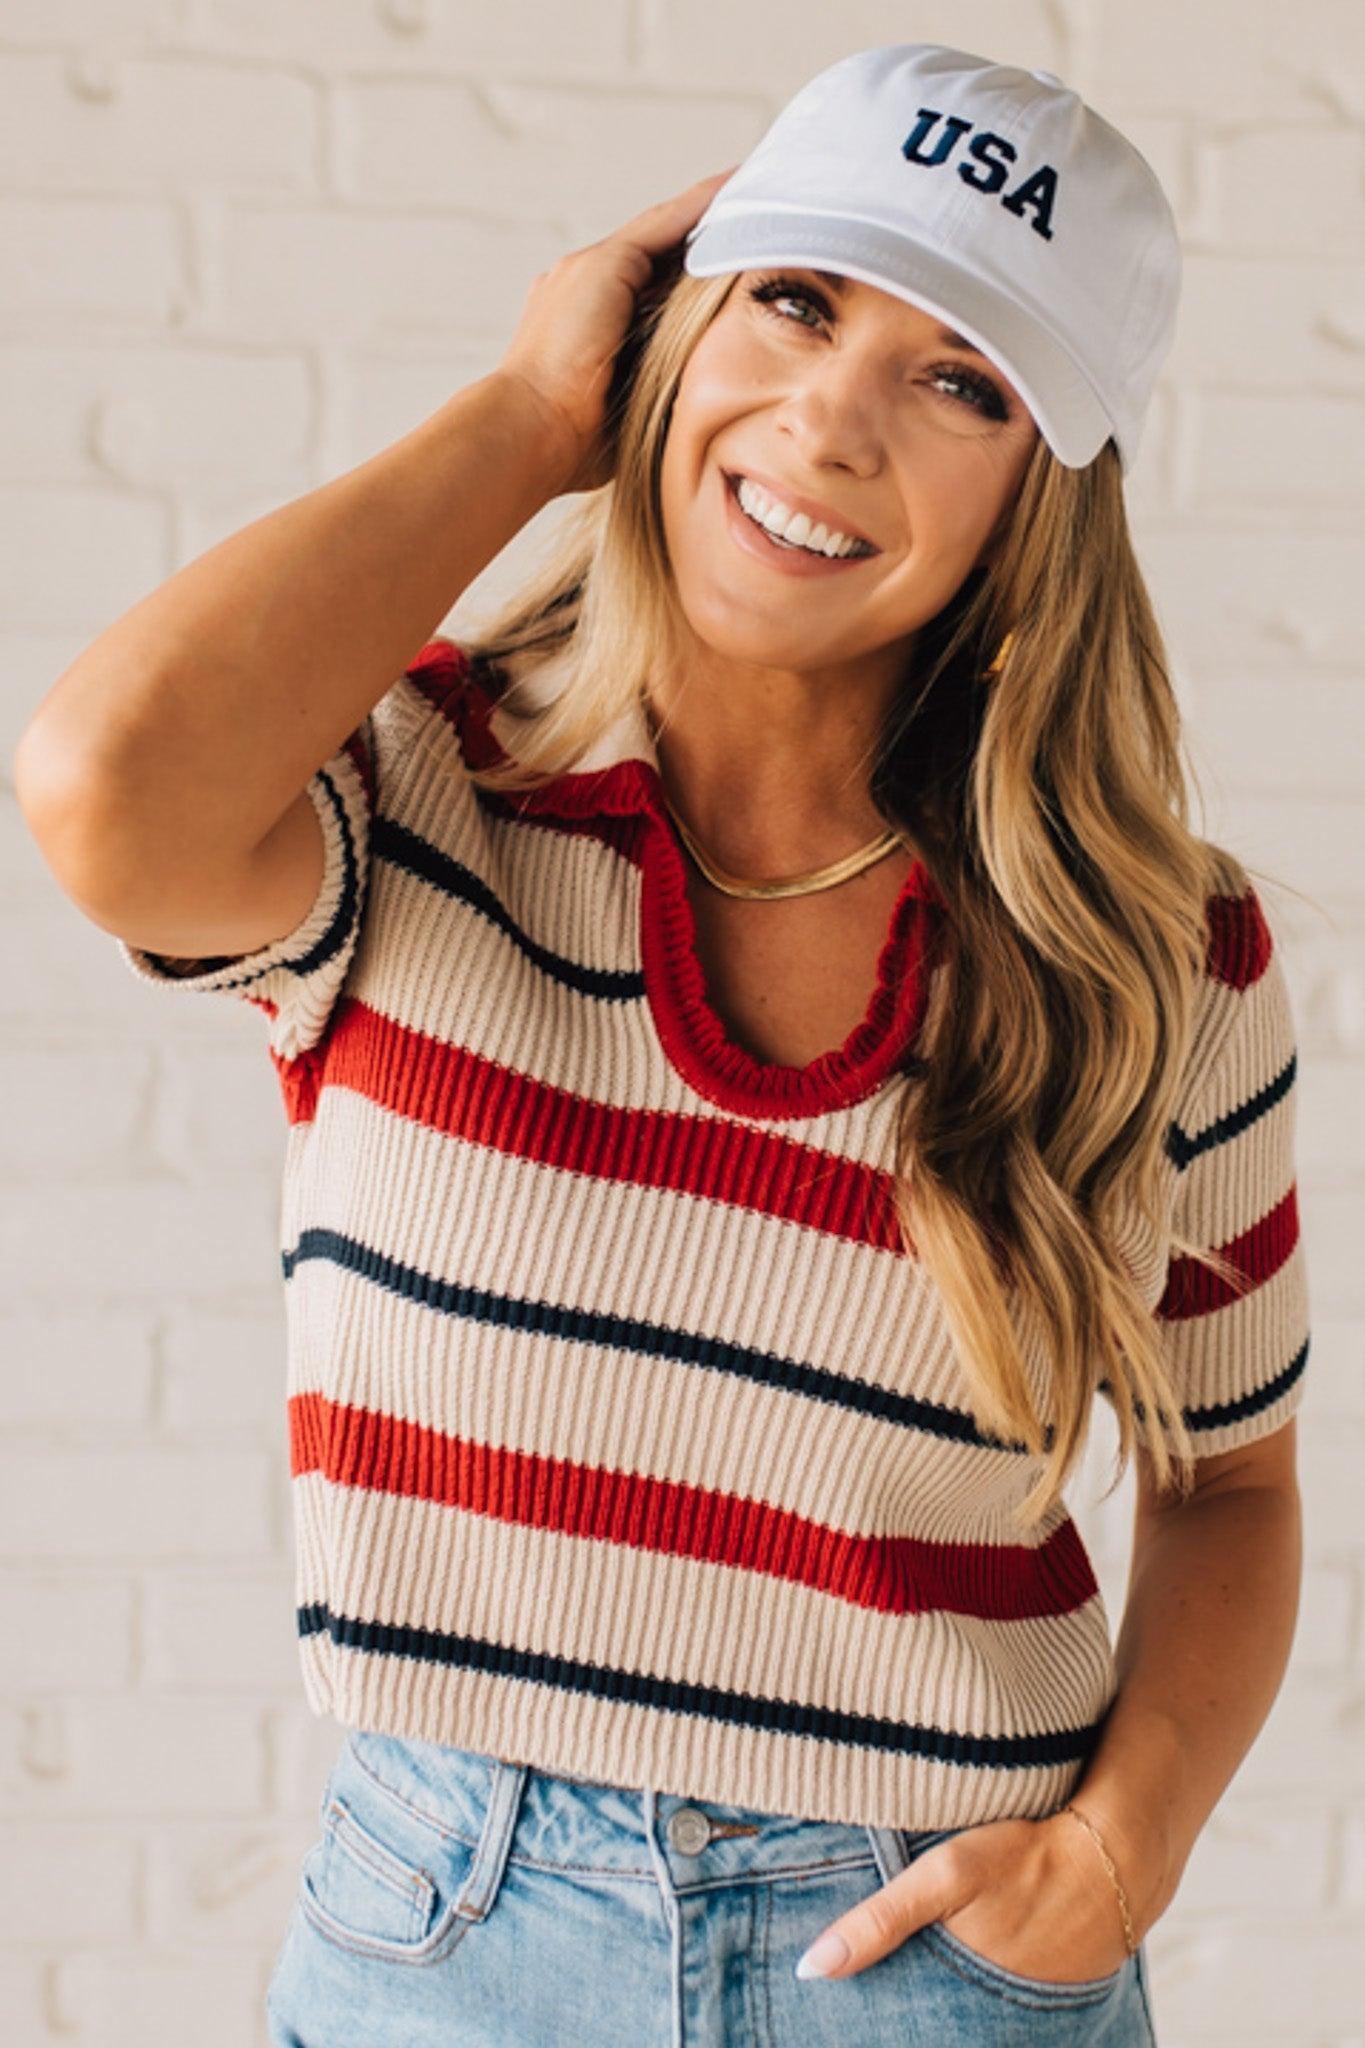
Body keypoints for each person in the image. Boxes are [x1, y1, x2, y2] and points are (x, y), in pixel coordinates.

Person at [16, 41, 1310, 2048]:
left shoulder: (1151, 952)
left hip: (933, 1961)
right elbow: (104, 782)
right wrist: (533, 414)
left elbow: (1225, 1484)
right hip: (449, 1934)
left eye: (956, 380)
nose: (829, 418)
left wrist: (1114, 1857)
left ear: (1036, 494)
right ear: (676, 322)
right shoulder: (410, 791)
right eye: (794, 298)